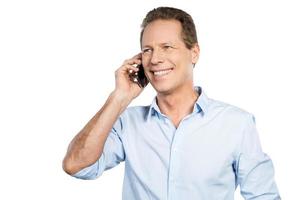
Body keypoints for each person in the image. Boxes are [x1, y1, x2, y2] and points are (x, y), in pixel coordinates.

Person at [63, 7, 281, 200]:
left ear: (194, 53)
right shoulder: (128, 123)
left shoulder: (236, 124)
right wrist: (119, 97)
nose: (155, 59)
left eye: (167, 47)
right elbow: (76, 165)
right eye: (147, 49)